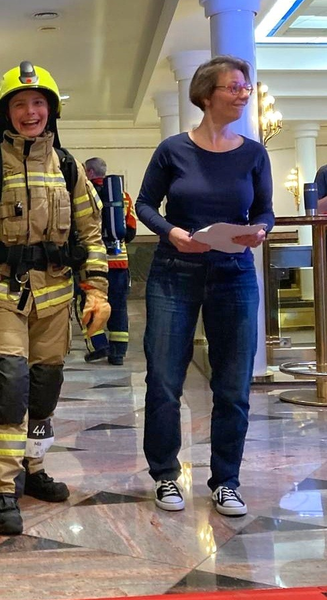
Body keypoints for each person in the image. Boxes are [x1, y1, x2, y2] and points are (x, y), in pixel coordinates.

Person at [0, 61, 110, 535]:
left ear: (49, 110)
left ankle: (33, 469)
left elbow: (91, 235)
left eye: (38, 103)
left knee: (44, 389)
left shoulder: (69, 167)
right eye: (19, 104)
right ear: (5, 112)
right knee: (9, 385)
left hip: (55, 295)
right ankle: (2, 489)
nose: (30, 112)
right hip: (0, 291)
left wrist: (97, 291)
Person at [136, 55, 274, 517]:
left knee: (233, 385)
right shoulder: (173, 150)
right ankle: (165, 476)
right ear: (206, 94)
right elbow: (145, 205)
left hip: (233, 275)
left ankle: (226, 481)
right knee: (164, 380)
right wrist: (173, 232)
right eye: (234, 86)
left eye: (246, 87)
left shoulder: (254, 153)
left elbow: (265, 211)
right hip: (175, 271)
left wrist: (260, 231)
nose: (243, 93)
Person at [77, 157, 137, 366]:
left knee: (85, 303)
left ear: (90, 173)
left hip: (92, 264)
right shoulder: (123, 197)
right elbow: (130, 232)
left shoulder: (83, 194)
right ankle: (118, 353)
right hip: (119, 263)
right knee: (118, 306)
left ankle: (99, 344)